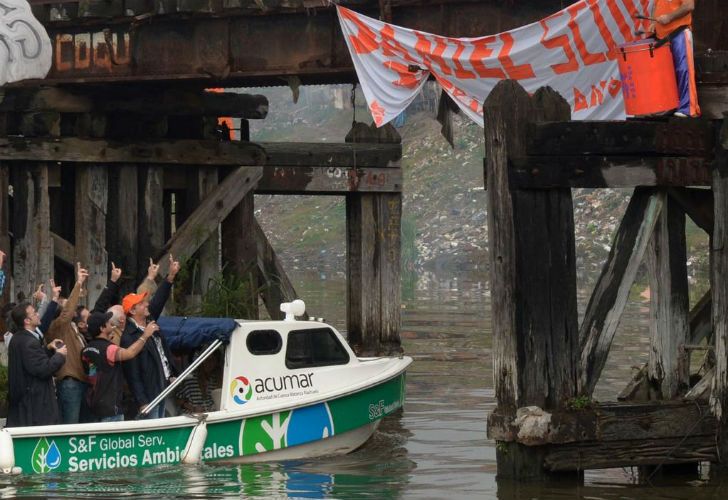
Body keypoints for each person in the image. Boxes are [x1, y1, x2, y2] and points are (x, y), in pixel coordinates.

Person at [121, 255, 181, 419]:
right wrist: (142, 401)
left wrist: (170, 276)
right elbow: (132, 374)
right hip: (149, 395)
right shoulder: (129, 337)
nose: (146, 304)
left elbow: (159, 299)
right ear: (132, 311)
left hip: (162, 386)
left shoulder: (149, 319)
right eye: (141, 303)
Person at [82, 311, 158, 422]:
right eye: (107, 322)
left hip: (94, 405)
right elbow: (130, 353)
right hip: (111, 408)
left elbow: (96, 370)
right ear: (102, 328)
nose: (110, 323)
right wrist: (145, 336)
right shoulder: (109, 349)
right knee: (113, 439)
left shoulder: (86, 349)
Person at [6, 302, 67, 427]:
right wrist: (60, 355)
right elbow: (43, 370)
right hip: (35, 406)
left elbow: (30, 363)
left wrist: (48, 348)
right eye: (34, 313)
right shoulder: (29, 342)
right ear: (27, 321)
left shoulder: (18, 338)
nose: (38, 314)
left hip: (25, 404)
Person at [45, 263, 89, 424]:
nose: (71, 308)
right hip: (70, 383)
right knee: (71, 430)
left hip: (81, 382)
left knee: (85, 429)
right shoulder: (57, 326)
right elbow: (68, 311)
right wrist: (78, 283)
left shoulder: (71, 327)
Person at [649, 0, 700, 118]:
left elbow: (689, 6)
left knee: (683, 69)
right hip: (662, 37)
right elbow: (655, 6)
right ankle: (669, 106)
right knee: (666, 74)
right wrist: (653, 22)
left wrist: (669, 17)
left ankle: (687, 108)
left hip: (679, 32)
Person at [175, 348, 223, 414]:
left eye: (213, 360)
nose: (209, 363)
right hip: (191, 415)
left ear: (216, 363)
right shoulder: (190, 378)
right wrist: (194, 408)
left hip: (210, 414)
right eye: (206, 359)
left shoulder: (216, 379)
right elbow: (178, 400)